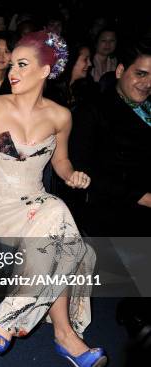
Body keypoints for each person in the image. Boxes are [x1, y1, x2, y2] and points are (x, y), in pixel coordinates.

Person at [0, 31, 107, 367]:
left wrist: (72, 177)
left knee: (61, 235)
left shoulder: (60, 116)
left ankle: (63, 336)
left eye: (22, 64)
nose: (12, 71)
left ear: (45, 70)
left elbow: (62, 163)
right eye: (11, 64)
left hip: (39, 204)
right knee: (62, 225)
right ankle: (55, 332)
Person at [73, 38, 151, 236]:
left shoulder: (148, 108)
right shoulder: (93, 110)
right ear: (119, 71)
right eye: (140, 74)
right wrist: (140, 196)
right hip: (116, 210)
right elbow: (83, 168)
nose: (148, 83)